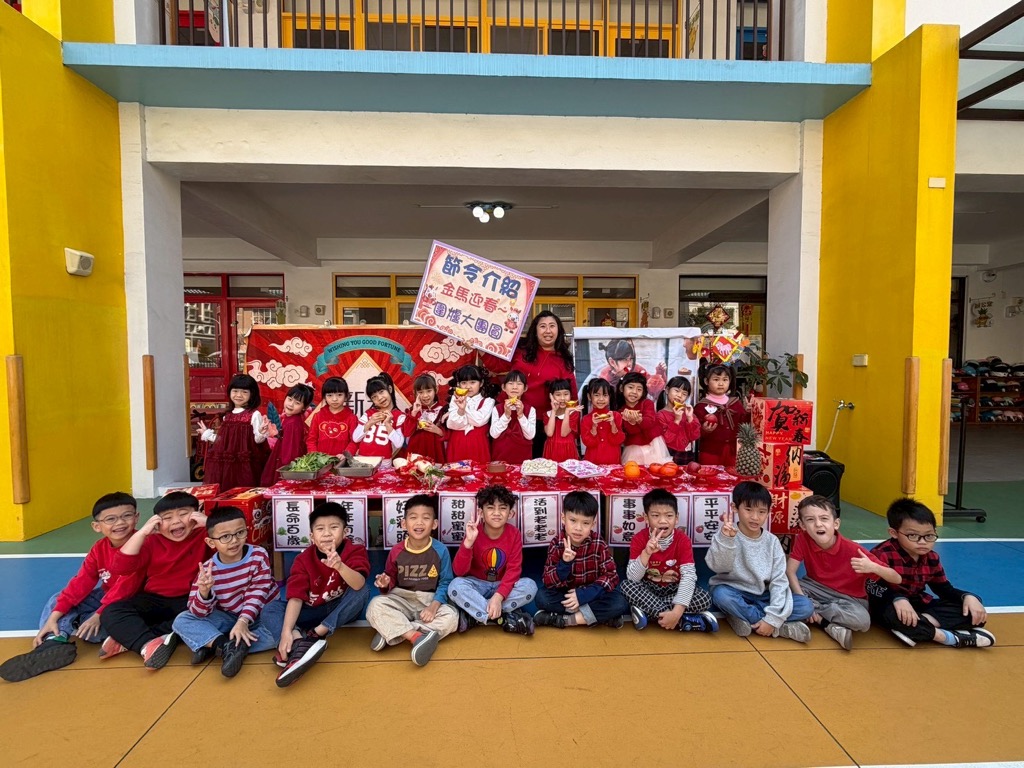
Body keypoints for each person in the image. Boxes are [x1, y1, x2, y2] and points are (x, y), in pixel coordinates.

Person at [0, 492, 140, 683]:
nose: (120, 523)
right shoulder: (99, 548)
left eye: (127, 516)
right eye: (111, 519)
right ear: (97, 526)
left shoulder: (142, 543)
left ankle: (85, 627)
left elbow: (128, 587)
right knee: (59, 600)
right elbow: (81, 582)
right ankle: (54, 641)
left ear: (136, 517)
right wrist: (54, 616)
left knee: (93, 632)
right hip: (107, 596)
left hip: (135, 600)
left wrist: (99, 614)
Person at [262, 502, 371, 686]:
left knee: (363, 591)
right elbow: (296, 598)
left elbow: (359, 584)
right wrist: (286, 631)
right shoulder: (303, 559)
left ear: (345, 532)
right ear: (312, 536)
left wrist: (340, 566)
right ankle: (297, 643)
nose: (327, 533)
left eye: (334, 527)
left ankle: (315, 636)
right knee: (271, 609)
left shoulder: (355, 550)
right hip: (310, 610)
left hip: (338, 608)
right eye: (320, 529)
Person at [98, 491, 211, 668]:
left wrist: (210, 524)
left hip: (191, 599)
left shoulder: (206, 535)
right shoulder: (151, 541)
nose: (176, 521)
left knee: (206, 616)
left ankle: (130, 638)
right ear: (157, 522)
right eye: (167, 518)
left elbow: (239, 547)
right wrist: (143, 532)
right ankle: (147, 644)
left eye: (184, 514)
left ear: (197, 514)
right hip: (155, 599)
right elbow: (121, 567)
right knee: (111, 612)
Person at [867, 498, 995, 648]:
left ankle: (917, 626)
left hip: (918, 604)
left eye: (929, 536)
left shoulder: (932, 557)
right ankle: (950, 638)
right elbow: (871, 587)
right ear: (894, 533)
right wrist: (897, 598)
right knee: (892, 616)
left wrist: (968, 596)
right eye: (913, 535)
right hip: (887, 603)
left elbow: (943, 589)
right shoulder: (881, 554)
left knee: (973, 613)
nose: (922, 542)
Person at [170, 507, 279, 677]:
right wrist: (204, 593)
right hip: (230, 617)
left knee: (282, 630)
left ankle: (212, 644)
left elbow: (258, 591)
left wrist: (243, 621)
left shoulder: (258, 555)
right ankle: (225, 645)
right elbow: (198, 612)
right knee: (182, 620)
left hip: (263, 614)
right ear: (211, 543)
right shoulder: (208, 570)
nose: (234, 541)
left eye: (240, 533)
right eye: (225, 537)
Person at [786, 495, 902, 650]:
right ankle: (825, 622)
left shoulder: (854, 550)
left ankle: (818, 618)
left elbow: (897, 578)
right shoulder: (803, 539)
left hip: (849, 598)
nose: (818, 524)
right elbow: (790, 572)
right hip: (815, 587)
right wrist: (802, 598)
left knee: (863, 621)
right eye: (810, 520)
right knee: (781, 588)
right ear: (802, 525)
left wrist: (873, 567)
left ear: (836, 523)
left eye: (824, 518)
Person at [707, 481, 814, 642]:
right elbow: (719, 567)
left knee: (806, 605)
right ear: (735, 507)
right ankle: (779, 627)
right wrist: (727, 541)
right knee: (721, 595)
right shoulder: (725, 535)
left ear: (769, 512)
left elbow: (779, 581)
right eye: (748, 510)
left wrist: (772, 617)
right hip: (734, 591)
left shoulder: (772, 542)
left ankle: (750, 619)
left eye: (762, 512)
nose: (755, 517)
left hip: (764, 595)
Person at [366, 494, 458, 666]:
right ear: (404, 523)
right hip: (402, 599)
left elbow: (446, 582)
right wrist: (385, 583)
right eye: (413, 517)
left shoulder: (440, 550)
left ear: (434, 524)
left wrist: (433, 607)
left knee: (452, 617)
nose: (419, 523)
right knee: (375, 605)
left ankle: (394, 630)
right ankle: (414, 636)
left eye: (426, 518)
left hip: (428, 601)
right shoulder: (396, 551)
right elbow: (390, 579)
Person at [621, 489, 718, 633]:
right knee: (626, 586)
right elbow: (633, 578)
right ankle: (681, 620)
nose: (663, 521)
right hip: (648, 587)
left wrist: (677, 611)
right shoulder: (639, 539)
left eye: (669, 515)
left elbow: (689, 576)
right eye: (655, 515)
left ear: (676, 518)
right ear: (646, 518)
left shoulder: (683, 540)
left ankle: (650, 612)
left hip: (674, 588)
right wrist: (646, 553)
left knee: (704, 598)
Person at [448, 485, 536, 635]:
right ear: (481, 513)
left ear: (511, 513)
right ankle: (503, 618)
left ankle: (476, 616)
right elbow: (459, 572)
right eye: (490, 508)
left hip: (502, 586)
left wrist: (498, 597)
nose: (496, 513)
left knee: (530, 586)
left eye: (502, 508)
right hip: (477, 585)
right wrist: (468, 543)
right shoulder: (474, 532)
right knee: (455, 587)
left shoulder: (514, 534)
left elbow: (514, 570)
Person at [534, 491, 628, 628]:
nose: (578, 528)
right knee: (542, 597)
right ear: (563, 518)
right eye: (573, 520)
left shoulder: (598, 543)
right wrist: (565, 564)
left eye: (585, 523)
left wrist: (584, 595)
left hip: (591, 593)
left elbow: (611, 576)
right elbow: (548, 581)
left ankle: (565, 620)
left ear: (593, 524)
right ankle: (597, 617)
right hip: (567, 596)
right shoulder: (557, 543)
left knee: (620, 602)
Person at [511, 311, 577, 457]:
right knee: (514, 462)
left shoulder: (563, 360)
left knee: (539, 464)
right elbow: (497, 365)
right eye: (542, 326)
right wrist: (479, 346)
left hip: (545, 422)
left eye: (552, 326)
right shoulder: (521, 353)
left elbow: (571, 396)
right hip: (513, 415)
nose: (548, 331)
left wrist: (571, 420)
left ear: (558, 331)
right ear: (535, 331)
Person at [196, 373, 270, 489]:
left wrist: (261, 432)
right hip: (227, 466)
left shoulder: (254, 414)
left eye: (244, 392)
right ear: (229, 392)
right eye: (235, 391)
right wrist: (207, 434)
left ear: (252, 394)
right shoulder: (227, 416)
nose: (239, 395)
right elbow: (222, 442)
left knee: (245, 489)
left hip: (247, 465)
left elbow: (258, 441)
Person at [693, 364, 752, 467]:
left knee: (733, 476)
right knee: (710, 475)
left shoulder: (735, 403)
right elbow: (694, 432)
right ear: (706, 381)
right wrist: (704, 430)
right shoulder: (701, 406)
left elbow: (744, 425)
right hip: (710, 453)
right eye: (716, 379)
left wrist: (748, 412)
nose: (721, 383)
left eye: (725, 380)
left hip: (734, 452)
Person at [261, 383, 315, 486]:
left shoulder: (293, 423)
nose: (291, 404)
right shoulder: (292, 418)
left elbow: (290, 452)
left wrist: (285, 471)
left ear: (304, 407)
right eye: (290, 399)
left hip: (285, 462)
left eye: (297, 403)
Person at [618, 371, 671, 466]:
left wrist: (639, 420)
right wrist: (631, 422)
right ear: (622, 388)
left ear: (643, 391)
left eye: (639, 389)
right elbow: (631, 431)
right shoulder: (621, 411)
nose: (634, 392)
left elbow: (649, 422)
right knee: (634, 470)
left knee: (655, 468)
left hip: (653, 445)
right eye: (630, 387)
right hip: (634, 447)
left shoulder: (647, 403)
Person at [445, 364, 495, 463]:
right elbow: (452, 424)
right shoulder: (454, 399)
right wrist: (461, 411)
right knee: (456, 471)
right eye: (464, 383)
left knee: (480, 471)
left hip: (479, 444)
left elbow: (479, 421)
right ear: (458, 384)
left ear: (481, 383)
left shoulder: (488, 401)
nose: (468, 387)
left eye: (473, 382)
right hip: (457, 443)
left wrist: (464, 409)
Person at [353, 373, 406, 459]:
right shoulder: (368, 414)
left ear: (390, 389)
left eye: (381, 392)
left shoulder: (400, 416)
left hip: (384, 462)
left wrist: (388, 424)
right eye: (374, 397)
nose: (380, 398)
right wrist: (370, 422)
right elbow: (355, 438)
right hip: (362, 460)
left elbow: (399, 443)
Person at [489, 370, 536, 464]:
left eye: (519, 384)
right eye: (510, 383)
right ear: (503, 387)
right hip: (501, 454)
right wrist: (506, 415)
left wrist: (521, 415)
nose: (515, 387)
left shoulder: (530, 410)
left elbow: (530, 435)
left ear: (525, 388)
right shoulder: (497, 409)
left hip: (522, 454)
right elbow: (494, 434)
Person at [305, 377, 358, 456]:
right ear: (324, 397)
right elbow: (311, 440)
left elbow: (354, 441)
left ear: (346, 396)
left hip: (343, 461)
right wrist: (315, 457)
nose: (334, 399)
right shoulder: (318, 416)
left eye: (339, 395)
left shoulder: (352, 418)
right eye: (330, 395)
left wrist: (345, 455)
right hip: (321, 462)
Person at [402, 373, 446, 462]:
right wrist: (414, 412)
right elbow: (406, 432)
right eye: (420, 392)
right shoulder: (412, 411)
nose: (425, 395)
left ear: (436, 389)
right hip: (416, 452)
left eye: (429, 391)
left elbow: (450, 435)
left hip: (436, 451)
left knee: (435, 470)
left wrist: (438, 430)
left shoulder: (443, 410)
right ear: (415, 393)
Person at [656, 376, 700, 465]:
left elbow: (695, 436)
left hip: (687, 453)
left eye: (684, 394)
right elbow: (665, 440)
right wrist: (676, 421)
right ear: (667, 390)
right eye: (676, 391)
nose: (679, 395)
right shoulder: (660, 415)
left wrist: (690, 418)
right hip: (668, 453)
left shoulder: (688, 413)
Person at [580, 377, 624, 465]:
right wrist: (593, 428)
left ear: (609, 397)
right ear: (589, 397)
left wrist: (613, 425)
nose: (601, 399)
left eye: (605, 395)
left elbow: (619, 440)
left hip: (613, 462)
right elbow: (588, 443)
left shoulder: (616, 416)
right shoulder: (586, 419)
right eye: (597, 395)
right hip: (592, 464)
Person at [542, 378, 581, 462]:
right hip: (551, 450)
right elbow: (549, 433)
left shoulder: (573, 413)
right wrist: (554, 411)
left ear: (570, 395)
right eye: (558, 395)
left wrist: (567, 411)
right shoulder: (547, 414)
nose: (562, 398)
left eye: (566, 394)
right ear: (551, 396)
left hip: (568, 450)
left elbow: (564, 433)